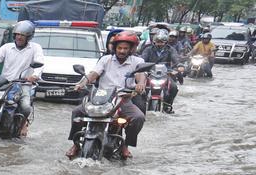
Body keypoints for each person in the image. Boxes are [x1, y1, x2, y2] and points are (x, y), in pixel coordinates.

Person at [66, 31, 146, 160]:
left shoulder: (137, 61)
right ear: (115, 48)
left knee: (138, 117)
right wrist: (82, 83)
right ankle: (75, 144)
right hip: (100, 97)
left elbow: (141, 75)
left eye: (125, 48)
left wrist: (140, 84)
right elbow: (94, 73)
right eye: (119, 48)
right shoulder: (105, 59)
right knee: (77, 112)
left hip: (123, 99)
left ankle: (126, 145)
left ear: (131, 49)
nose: (122, 51)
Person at [0, 20, 43, 136]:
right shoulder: (7, 47)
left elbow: (40, 63)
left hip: (23, 84)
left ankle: (23, 125)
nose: (19, 37)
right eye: (18, 34)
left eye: (23, 35)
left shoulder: (35, 48)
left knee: (25, 107)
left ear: (28, 37)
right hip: (4, 83)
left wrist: (34, 75)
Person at [140, 29, 182, 112]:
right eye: (158, 41)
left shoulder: (171, 49)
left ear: (166, 42)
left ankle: (167, 106)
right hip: (149, 73)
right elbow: (142, 59)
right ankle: (140, 105)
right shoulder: (148, 49)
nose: (159, 43)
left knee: (174, 88)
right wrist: (140, 66)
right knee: (140, 87)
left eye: (162, 41)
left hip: (165, 74)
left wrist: (179, 66)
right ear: (154, 41)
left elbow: (176, 59)